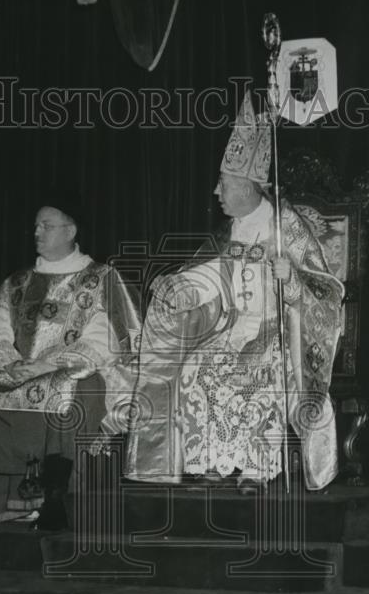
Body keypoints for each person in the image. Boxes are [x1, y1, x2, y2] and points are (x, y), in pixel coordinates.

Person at [124, 96, 345, 493]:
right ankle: (211, 462)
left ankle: (255, 469)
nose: (216, 191)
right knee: (195, 370)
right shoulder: (230, 231)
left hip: (280, 329)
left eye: (223, 184)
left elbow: (323, 288)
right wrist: (180, 286)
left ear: (247, 186)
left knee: (258, 374)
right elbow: (212, 275)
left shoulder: (286, 224)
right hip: (231, 326)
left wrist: (290, 278)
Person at [0, 202, 140, 528]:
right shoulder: (18, 282)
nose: (36, 232)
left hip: (74, 370)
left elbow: (107, 336)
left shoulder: (101, 278)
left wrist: (48, 365)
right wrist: (12, 363)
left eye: (46, 226)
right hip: (19, 371)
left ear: (70, 232)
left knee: (71, 388)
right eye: (35, 226)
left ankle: (56, 498)